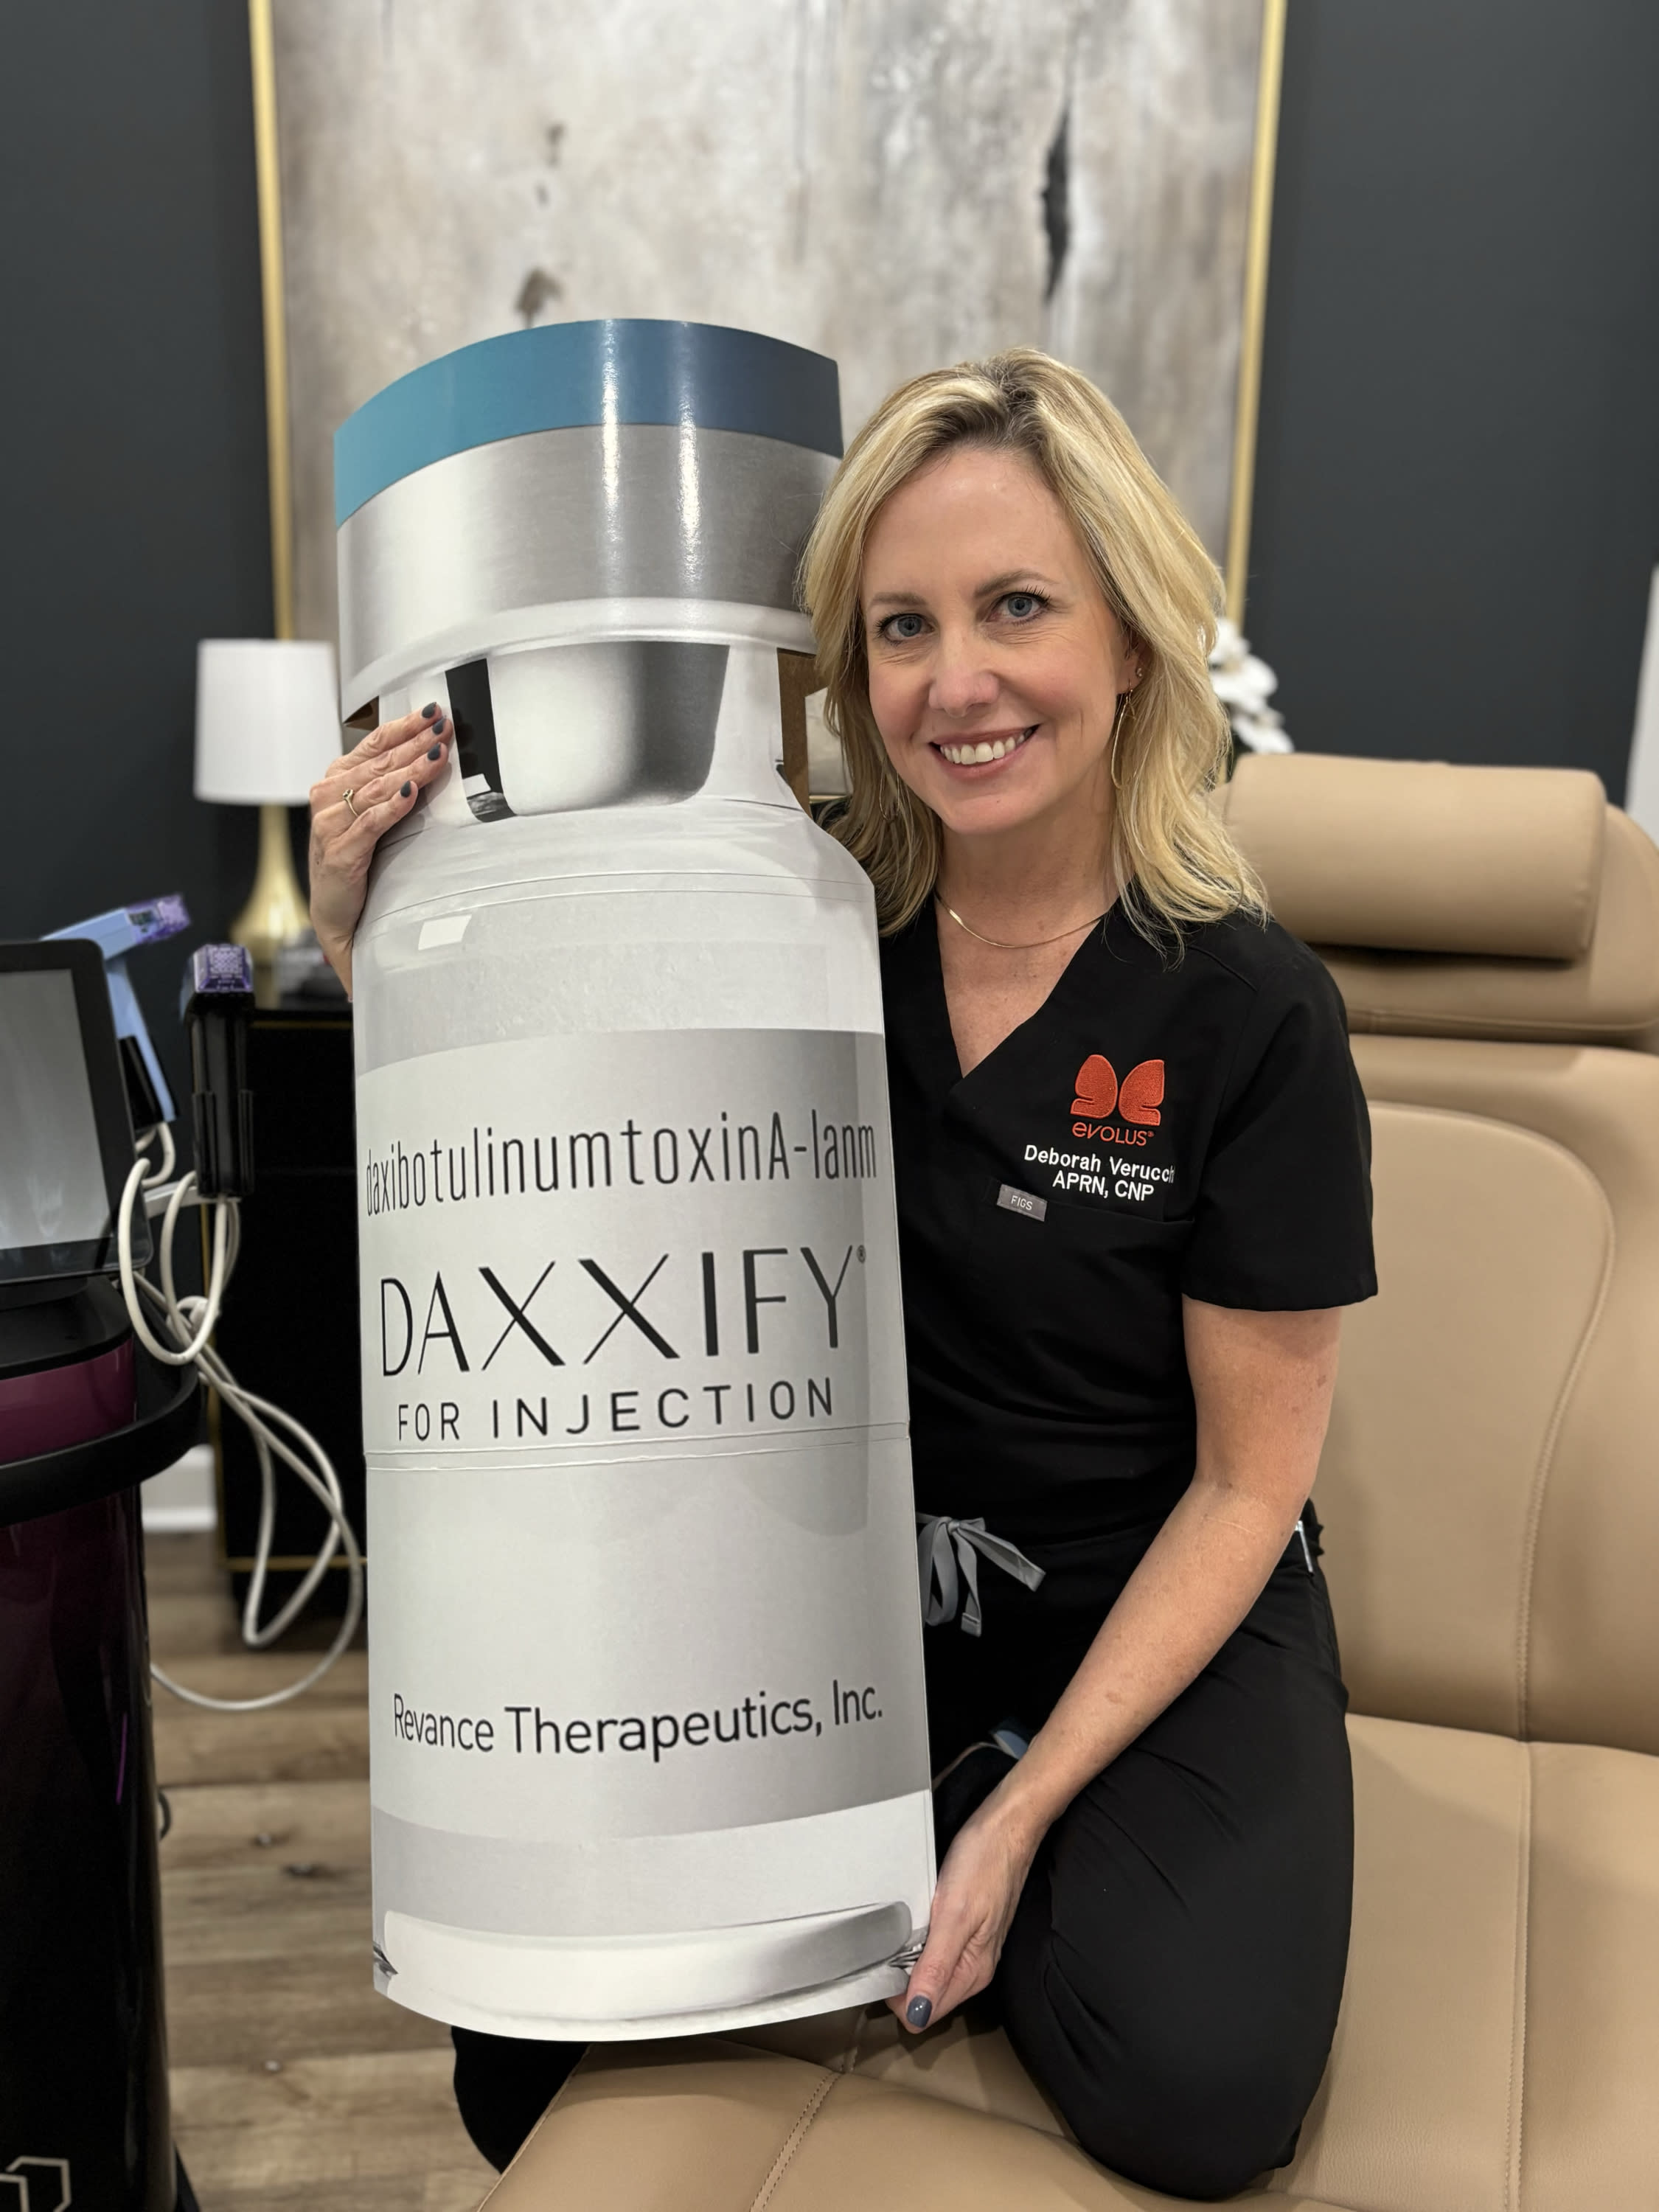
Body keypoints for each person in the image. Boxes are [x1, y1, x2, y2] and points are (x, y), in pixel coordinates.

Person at [309, 349, 1374, 2202]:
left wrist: (1025, 1816)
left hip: (1141, 1596)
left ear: (1132, 640)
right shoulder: (801, 931)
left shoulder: (1249, 1009)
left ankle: (978, 1824)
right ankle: (914, 1822)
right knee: (527, 2047)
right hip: (847, 1608)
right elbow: (556, 1167)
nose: (956, 682)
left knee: (1198, 2093)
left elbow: (1246, 1485)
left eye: (1017, 607)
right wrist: (367, 934)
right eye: (902, 627)